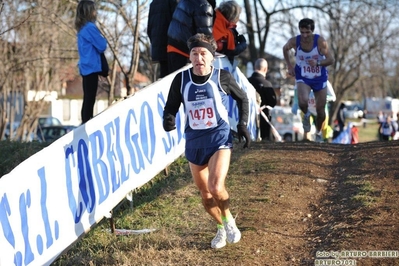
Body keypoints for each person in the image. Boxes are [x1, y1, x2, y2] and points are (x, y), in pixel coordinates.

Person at [163, 33, 250, 249]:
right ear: (190, 57)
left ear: (212, 57)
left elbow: (243, 99)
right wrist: (169, 119)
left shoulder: (223, 77)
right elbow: (171, 106)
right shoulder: (181, 79)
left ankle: (229, 220)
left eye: (203, 54)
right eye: (194, 54)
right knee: (205, 195)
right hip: (194, 141)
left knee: (215, 186)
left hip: (219, 137)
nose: (199, 58)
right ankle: (221, 227)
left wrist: (242, 125)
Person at [283, 18, 334, 142]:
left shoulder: (320, 42)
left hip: (319, 77)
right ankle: (306, 116)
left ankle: (318, 133)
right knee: (302, 101)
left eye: (307, 32)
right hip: (303, 76)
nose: (305, 35)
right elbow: (285, 49)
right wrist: (289, 66)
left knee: (320, 110)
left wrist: (318, 62)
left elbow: (331, 60)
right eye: (302, 32)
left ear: (312, 31)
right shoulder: (295, 41)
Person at [75, 0, 107, 124]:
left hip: (85, 66)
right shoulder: (90, 27)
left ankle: (86, 121)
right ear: (90, 12)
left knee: (88, 96)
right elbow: (102, 45)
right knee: (90, 98)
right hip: (91, 67)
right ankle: (86, 122)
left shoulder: (82, 28)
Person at [166, 0, 215, 74]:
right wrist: (212, 52)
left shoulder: (184, 1)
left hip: (173, 46)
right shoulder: (204, 5)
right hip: (184, 51)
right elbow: (205, 37)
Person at [147, 0, 178, 79]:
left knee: (165, 79)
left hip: (159, 47)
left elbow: (149, 29)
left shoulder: (153, 3)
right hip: (172, 47)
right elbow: (177, 24)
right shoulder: (173, 2)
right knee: (175, 80)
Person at [247, 58, 276, 141]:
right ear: (265, 69)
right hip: (263, 121)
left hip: (247, 119)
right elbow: (272, 102)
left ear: (254, 67)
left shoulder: (246, 82)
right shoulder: (267, 84)